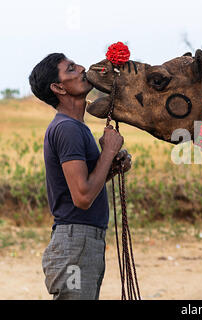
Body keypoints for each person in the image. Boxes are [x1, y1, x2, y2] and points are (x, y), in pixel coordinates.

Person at [29, 53, 131, 299]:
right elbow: (83, 197)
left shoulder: (74, 127)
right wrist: (107, 153)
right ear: (58, 87)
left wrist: (110, 167)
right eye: (71, 69)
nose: (82, 68)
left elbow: (80, 186)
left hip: (81, 242)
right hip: (76, 244)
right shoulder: (67, 129)